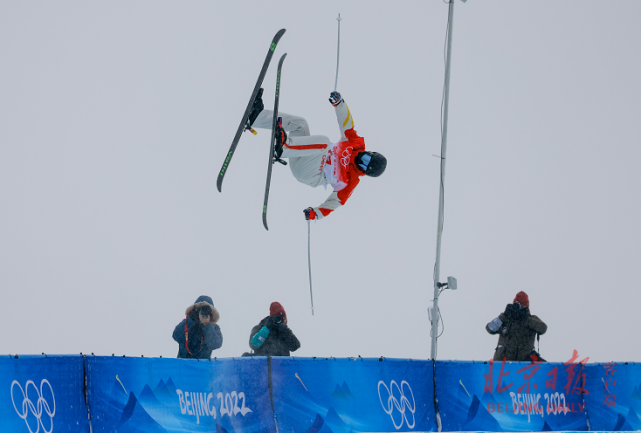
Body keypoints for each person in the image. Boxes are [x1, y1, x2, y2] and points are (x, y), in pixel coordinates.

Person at [247, 90, 387, 221]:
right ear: (370, 152)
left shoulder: (352, 180)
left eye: (363, 166)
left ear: (363, 172)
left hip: (310, 174)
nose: (361, 161)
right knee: (300, 124)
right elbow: (347, 123)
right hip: (302, 157)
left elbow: (335, 202)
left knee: (324, 143)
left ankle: (283, 148)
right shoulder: (353, 143)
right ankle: (257, 117)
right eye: (366, 158)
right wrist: (339, 104)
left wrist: (316, 213)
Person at [486, 291, 547, 362]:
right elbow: (490, 328)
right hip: (502, 365)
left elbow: (543, 328)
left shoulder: (531, 319)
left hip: (522, 366)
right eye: (516, 305)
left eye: (521, 305)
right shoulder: (506, 319)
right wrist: (504, 316)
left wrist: (525, 318)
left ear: (526, 307)